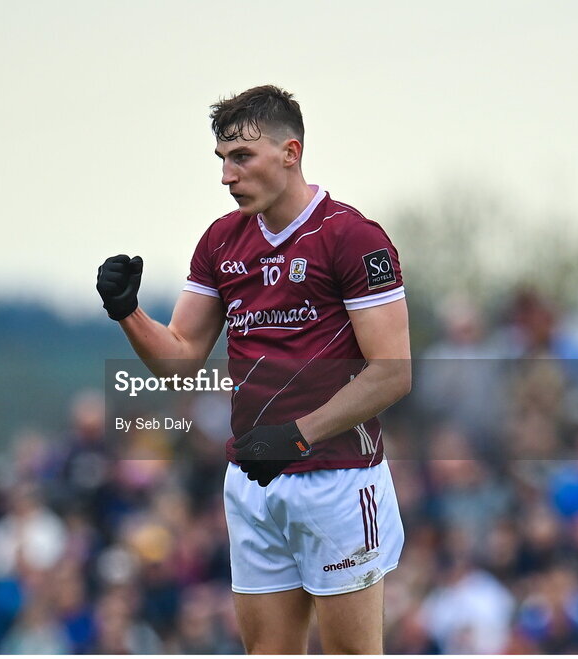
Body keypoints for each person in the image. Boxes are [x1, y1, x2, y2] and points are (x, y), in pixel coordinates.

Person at [96, 85, 411, 653]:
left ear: (290, 152)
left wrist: (297, 436)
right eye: (221, 160)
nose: (226, 176)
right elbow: (179, 360)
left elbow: (392, 373)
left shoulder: (351, 236)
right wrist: (127, 312)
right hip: (253, 480)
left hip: (337, 478)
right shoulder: (221, 242)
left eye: (241, 158)